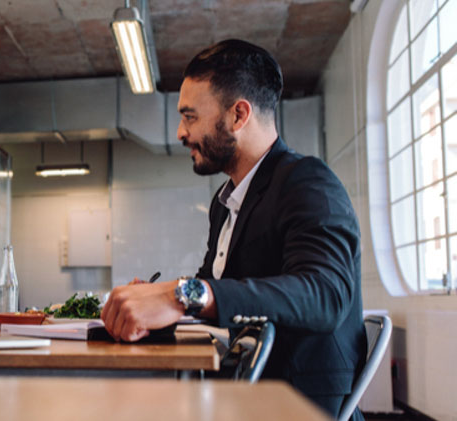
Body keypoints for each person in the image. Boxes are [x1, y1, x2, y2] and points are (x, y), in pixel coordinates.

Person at [100, 39, 366, 419]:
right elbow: (215, 288)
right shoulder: (225, 202)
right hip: (246, 392)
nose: (179, 132)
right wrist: (159, 299)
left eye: (190, 117)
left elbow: (324, 295)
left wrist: (182, 294)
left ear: (239, 115)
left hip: (299, 404)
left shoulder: (308, 181)